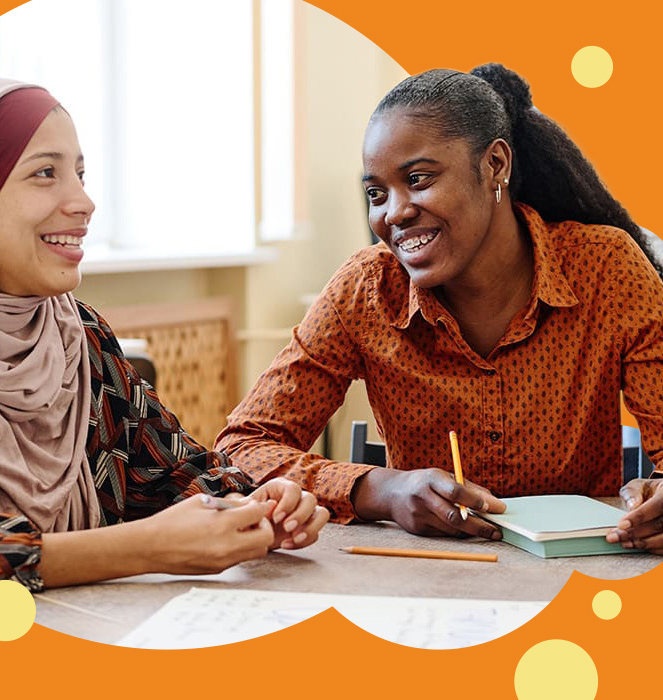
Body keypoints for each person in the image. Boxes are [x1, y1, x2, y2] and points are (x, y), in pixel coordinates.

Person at [0, 77, 328, 592]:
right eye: (45, 173)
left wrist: (255, 505)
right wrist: (142, 549)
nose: (84, 202)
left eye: (81, 174)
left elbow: (172, 472)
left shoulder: (75, 331)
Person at [215, 63, 663, 554]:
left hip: (583, 570)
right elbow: (241, 448)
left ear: (495, 165)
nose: (394, 212)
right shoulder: (365, 289)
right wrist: (379, 490)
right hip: (425, 575)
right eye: (376, 193)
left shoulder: (605, 267)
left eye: (419, 178)